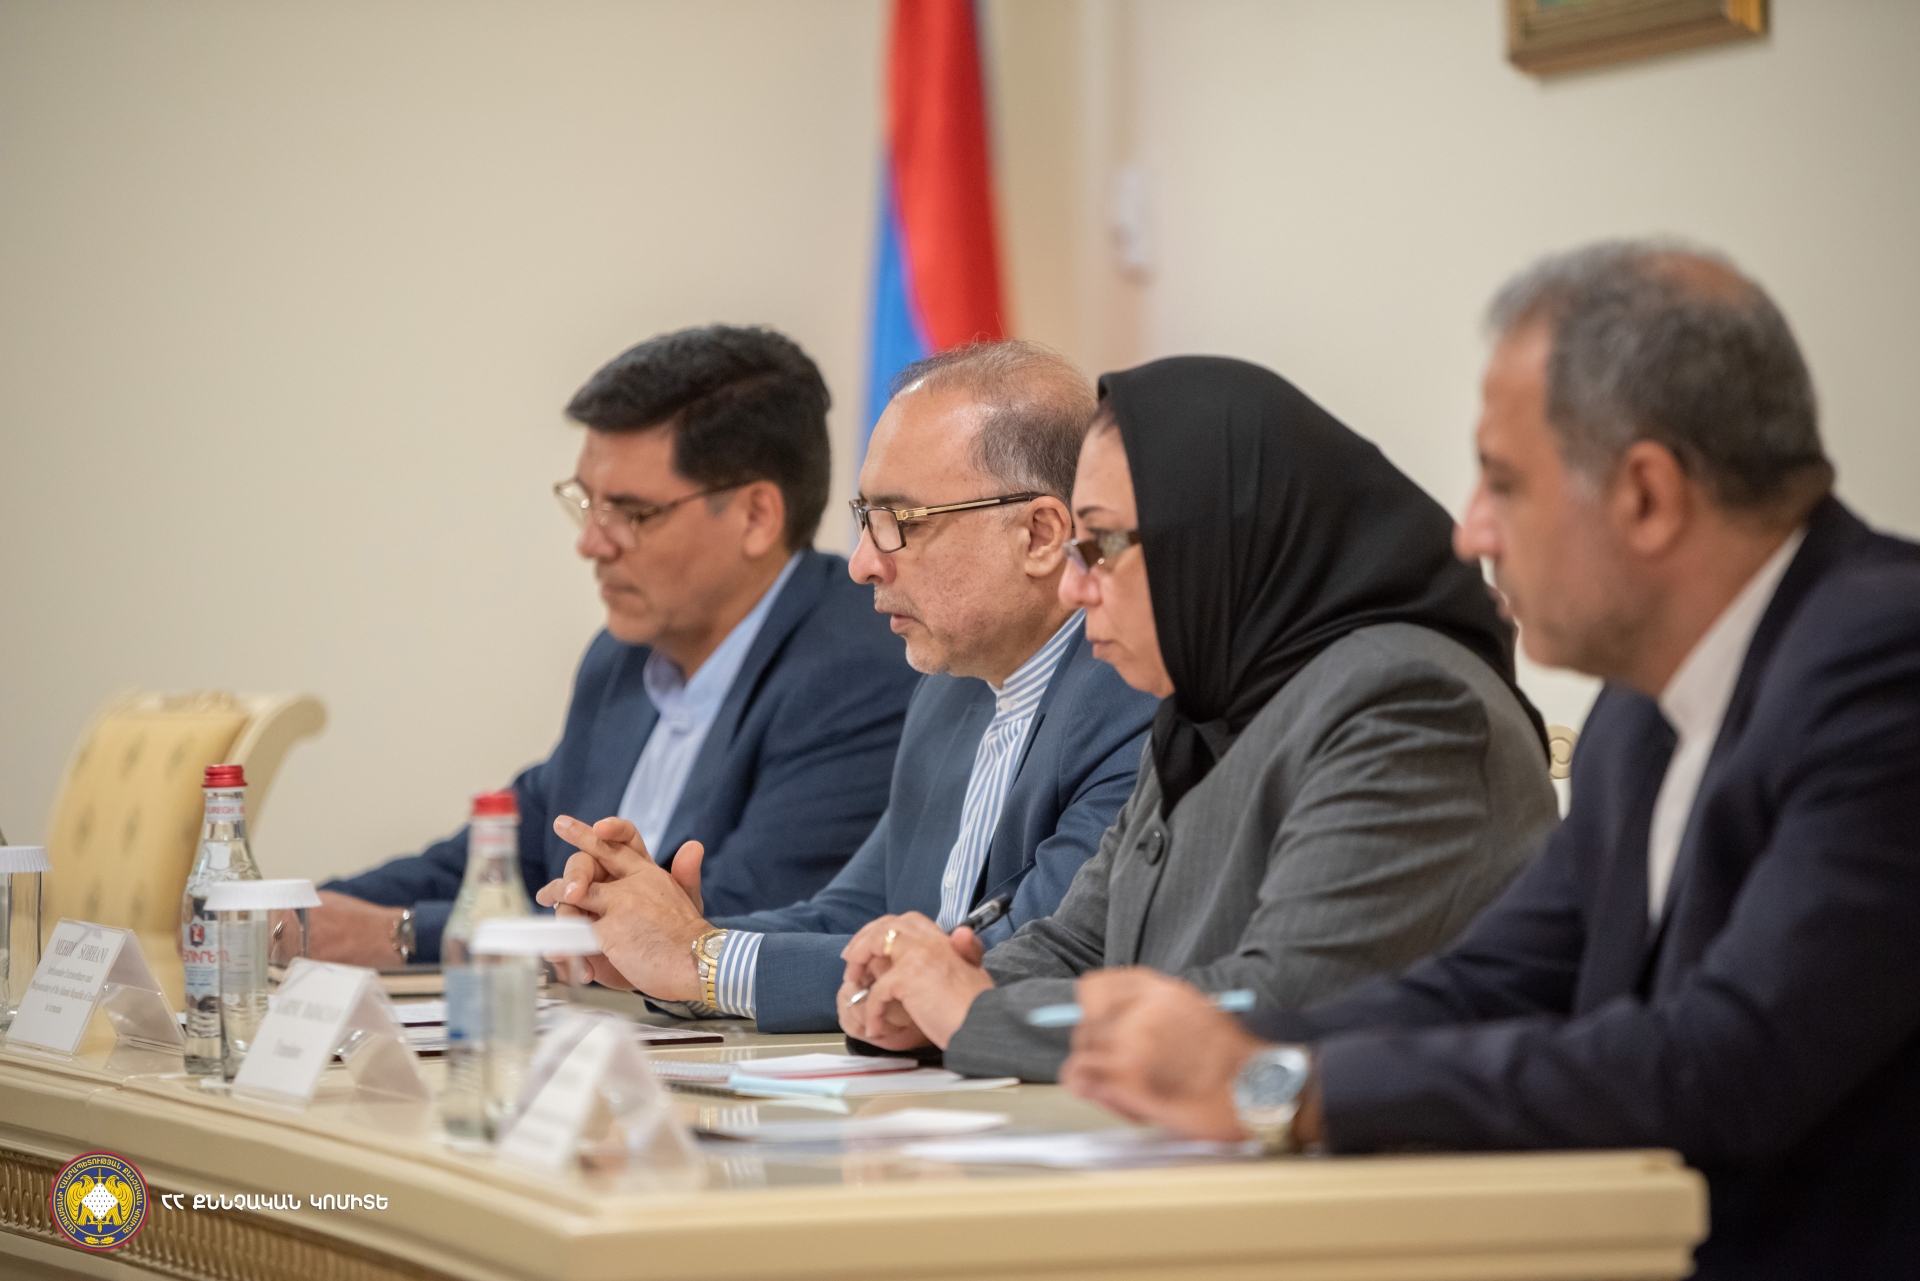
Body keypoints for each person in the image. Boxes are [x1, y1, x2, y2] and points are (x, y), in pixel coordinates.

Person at [1056, 242, 1920, 1280]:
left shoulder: (1886, 664)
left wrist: (1292, 1088)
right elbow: (1495, 980)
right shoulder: (1638, 710)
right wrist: (1225, 1049)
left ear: (1646, 495)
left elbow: (1729, 1058)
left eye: (1503, 483)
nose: (1470, 533)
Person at [838, 355, 1561, 1080]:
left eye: (1101, 546)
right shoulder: (1208, 710)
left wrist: (975, 1014)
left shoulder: (1408, 704)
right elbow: (1082, 945)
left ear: (1218, 534)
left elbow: (1284, 1001)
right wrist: (923, 996)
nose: (1073, 586)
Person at [535, 342, 1160, 1028]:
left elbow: (1016, 962)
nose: (862, 563)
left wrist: (701, 960)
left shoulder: (1132, 700)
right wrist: (655, 940)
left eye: (899, 522)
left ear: (1039, 535)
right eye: (866, 519)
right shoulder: (950, 691)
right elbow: (855, 914)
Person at [310, 325, 918, 965]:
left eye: (631, 513)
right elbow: (504, 855)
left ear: (756, 516)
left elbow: (717, 929)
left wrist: (402, 933)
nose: (591, 543)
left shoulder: (855, 672)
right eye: (587, 504)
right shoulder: (622, 657)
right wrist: (310, 911)